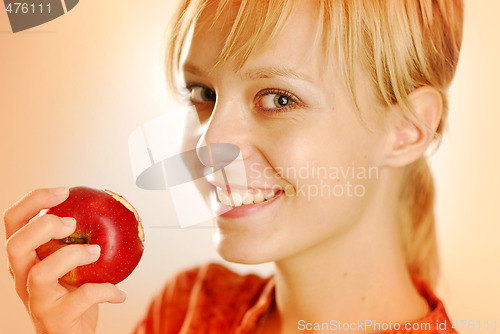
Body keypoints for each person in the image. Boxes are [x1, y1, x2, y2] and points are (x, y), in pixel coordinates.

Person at [3, 0, 464, 333]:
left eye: (279, 98)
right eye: (204, 94)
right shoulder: (186, 311)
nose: (208, 145)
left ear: (406, 128)